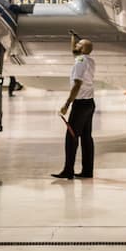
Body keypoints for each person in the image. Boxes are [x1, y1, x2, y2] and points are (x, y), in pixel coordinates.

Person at [52, 33, 96, 179]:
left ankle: (68, 170)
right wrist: (73, 38)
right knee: (86, 137)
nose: (75, 46)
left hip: (80, 104)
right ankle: (87, 171)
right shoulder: (89, 60)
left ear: (83, 49)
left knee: (71, 137)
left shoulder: (80, 62)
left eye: (78, 44)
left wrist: (67, 104)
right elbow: (75, 52)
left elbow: (77, 84)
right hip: (90, 103)